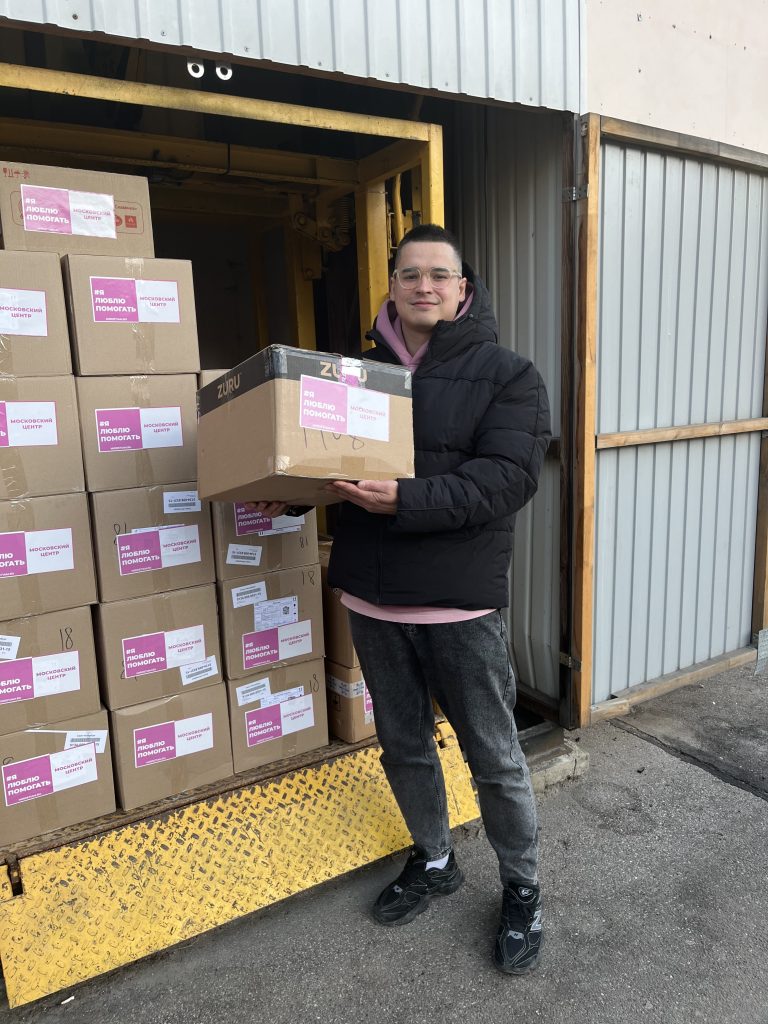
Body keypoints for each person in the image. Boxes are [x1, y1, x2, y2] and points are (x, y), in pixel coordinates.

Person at [253, 223, 551, 974]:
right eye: (410, 273)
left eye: (439, 275)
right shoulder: (350, 376)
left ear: (463, 290)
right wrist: (287, 494)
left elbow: (507, 479)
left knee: (493, 755)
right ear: (391, 286)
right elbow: (328, 464)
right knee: (404, 745)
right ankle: (434, 858)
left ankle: (522, 887)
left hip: (458, 605)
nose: (424, 286)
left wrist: (406, 500)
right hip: (373, 600)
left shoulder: (509, 375)